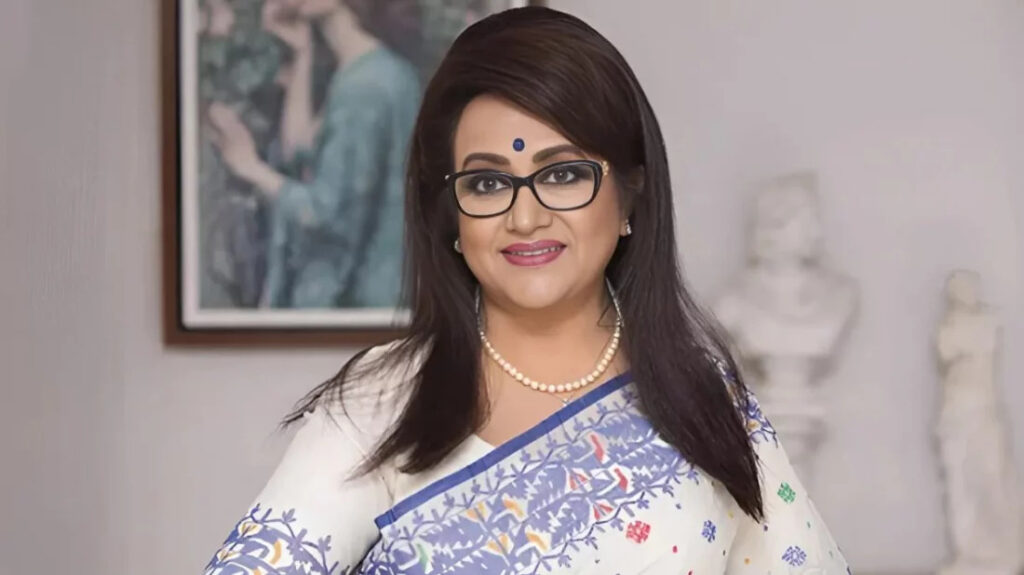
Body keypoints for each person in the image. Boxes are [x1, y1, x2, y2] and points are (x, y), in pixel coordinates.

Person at [204, 7, 849, 574]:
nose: (525, 216)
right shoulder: (382, 403)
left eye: (563, 174)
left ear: (629, 195)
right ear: (452, 218)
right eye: (487, 183)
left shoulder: (702, 399)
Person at [209, 0, 421, 308]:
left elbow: (324, 214)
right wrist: (302, 53)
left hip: (351, 304)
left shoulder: (364, 89)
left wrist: (250, 168)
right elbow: (300, 152)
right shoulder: (373, 69)